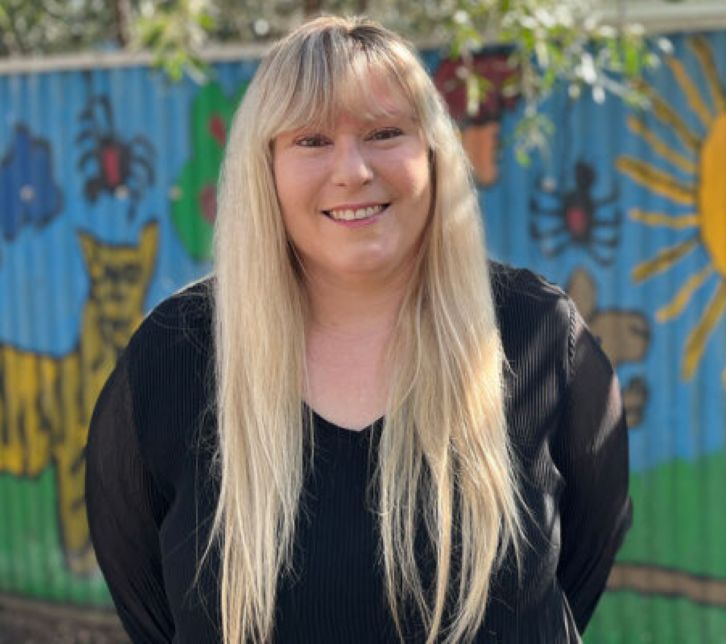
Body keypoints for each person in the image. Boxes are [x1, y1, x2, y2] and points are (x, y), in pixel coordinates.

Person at [84, 15, 631, 644]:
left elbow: (584, 557)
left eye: (385, 132)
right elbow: (147, 600)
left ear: (433, 152)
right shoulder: (173, 358)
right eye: (312, 140)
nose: (353, 170)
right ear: (265, 167)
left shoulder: (539, 338)